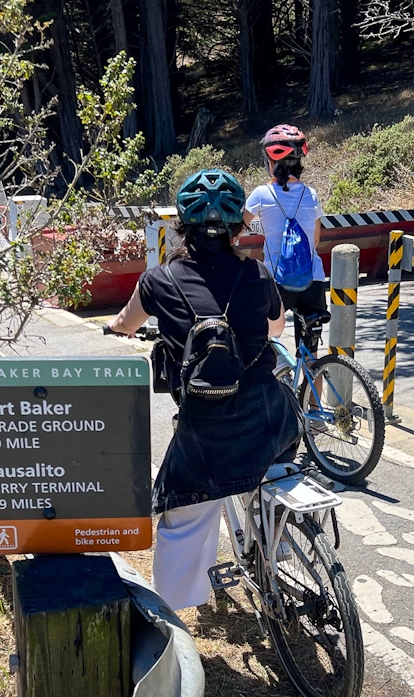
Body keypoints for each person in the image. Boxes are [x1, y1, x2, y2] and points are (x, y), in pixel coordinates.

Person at [108, 169, 301, 611]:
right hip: (271, 416)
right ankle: (280, 538)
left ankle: (173, 617)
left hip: (207, 430)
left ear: (182, 223)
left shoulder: (158, 280)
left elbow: (126, 323)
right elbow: (276, 326)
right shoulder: (255, 274)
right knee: (273, 472)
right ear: (239, 225)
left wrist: (112, 328)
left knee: (185, 518)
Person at [242, 124, 328, 353]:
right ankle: (314, 384)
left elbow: (236, 231)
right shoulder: (311, 195)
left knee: (265, 344)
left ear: (271, 162)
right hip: (313, 281)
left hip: (276, 284)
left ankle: (278, 379)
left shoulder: (261, 194)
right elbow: (316, 240)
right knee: (311, 354)